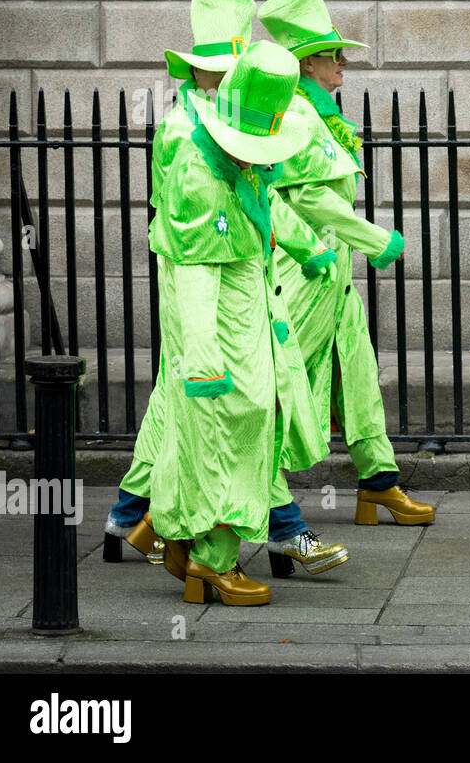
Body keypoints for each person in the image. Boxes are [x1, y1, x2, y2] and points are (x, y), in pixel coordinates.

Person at [103, 0, 346, 580]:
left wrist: (304, 248)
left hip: (230, 277)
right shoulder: (191, 135)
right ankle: (276, 531)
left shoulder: (222, 127)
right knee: (228, 405)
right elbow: (201, 230)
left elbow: (258, 207)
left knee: (198, 406)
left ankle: (141, 521)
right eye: (226, 72)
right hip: (199, 277)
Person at [258, 0, 434, 539]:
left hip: (331, 271)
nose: (344, 66)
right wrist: (374, 239)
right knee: (284, 377)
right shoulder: (299, 116)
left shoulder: (319, 112)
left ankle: (377, 478)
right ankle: (249, 488)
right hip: (305, 269)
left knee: (356, 369)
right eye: (335, 56)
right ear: (309, 62)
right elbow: (307, 198)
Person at [148, 40, 319, 606]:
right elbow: (196, 276)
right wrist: (202, 358)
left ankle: (175, 536)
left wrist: (307, 247)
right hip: (220, 334)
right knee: (231, 433)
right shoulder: (200, 177)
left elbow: (266, 219)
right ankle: (211, 563)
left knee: (230, 432)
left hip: (246, 324)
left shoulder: (236, 165)